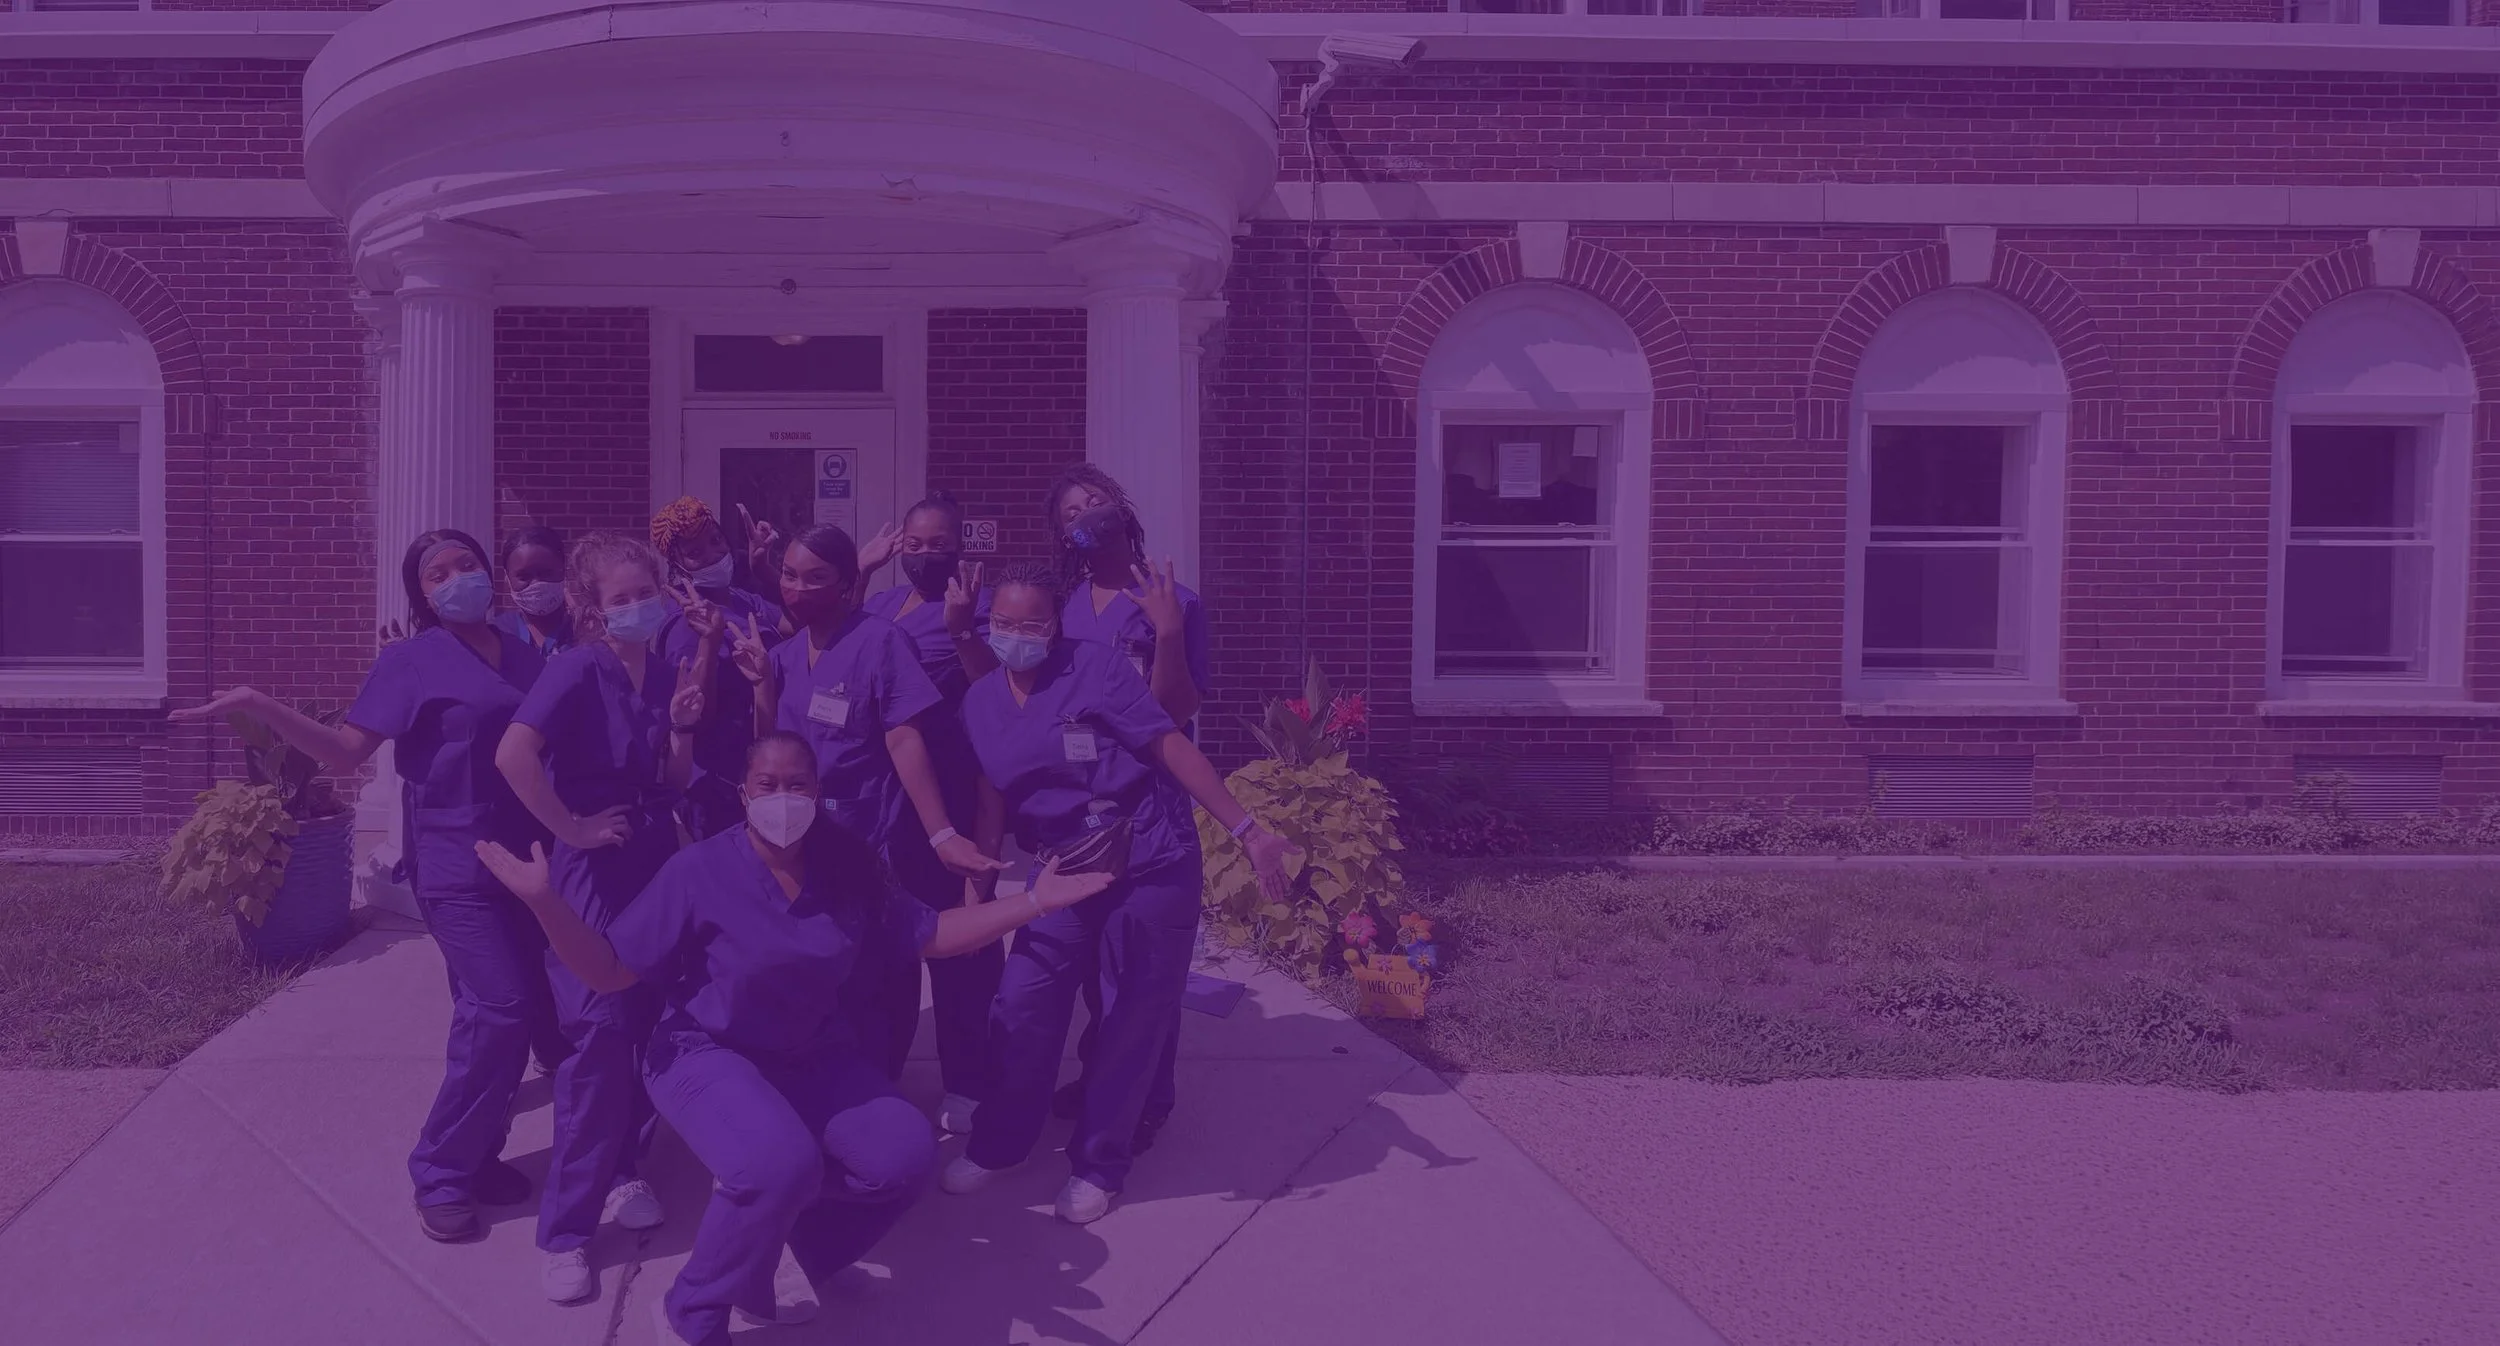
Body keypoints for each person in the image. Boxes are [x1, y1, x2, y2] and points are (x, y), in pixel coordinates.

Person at [473, 733, 1115, 1346]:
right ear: (744, 793)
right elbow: (609, 970)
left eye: (797, 784)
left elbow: (934, 934)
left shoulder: (847, 866)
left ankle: (785, 1259)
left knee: (904, 1156)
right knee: (777, 1164)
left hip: (809, 1054)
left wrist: (1035, 902)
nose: (783, 798)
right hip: (704, 1051)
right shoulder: (699, 870)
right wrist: (545, 903)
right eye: (767, 784)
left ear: (817, 790)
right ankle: (690, 1313)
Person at [171, 529, 569, 1243]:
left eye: (468, 564)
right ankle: (440, 1170)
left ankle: (479, 1157)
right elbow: (346, 751)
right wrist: (260, 702)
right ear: (423, 594)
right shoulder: (408, 662)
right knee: (502, 1007)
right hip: (456, 866)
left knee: (499, 1013)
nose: (458, 579)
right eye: (438, 574)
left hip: (528, 862)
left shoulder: (523, 654)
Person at [939, 563, 1295, 1225]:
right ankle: (1000, 1143)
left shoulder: (1096, 668)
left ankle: (1099, 1164)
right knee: (1023, 1002)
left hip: (1148, 859)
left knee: (1130, 1017)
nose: (1017, 636)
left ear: (1056, 624)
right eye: (1004, 623)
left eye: (1032, 624)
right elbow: (991, 802)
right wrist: (976, 896)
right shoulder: (980, 702)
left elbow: (1168, 747)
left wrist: (1248, 832)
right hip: (1062, 869)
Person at [494, 531, 713, 1305]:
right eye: (621, 598)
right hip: (592, 870)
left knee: (648, 1020)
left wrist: (681, 728)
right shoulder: (578, 669)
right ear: (592, 608)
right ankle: (567, 1232)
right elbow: (513, 755)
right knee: (600, 1036)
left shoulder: (661, 670)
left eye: (644, 593)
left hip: (651, 861)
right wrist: (571, 828)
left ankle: (624, 1170)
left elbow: (672, 778)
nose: (637, 607)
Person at [727, 525, 1005, 1089]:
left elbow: (904, 738)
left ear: (847, 582)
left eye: (816, 578)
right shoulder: (784, 655)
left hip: (877, 841)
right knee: (831, 974)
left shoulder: (880, 642)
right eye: (789, 575)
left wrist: (940, 833)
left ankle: (884, 1088)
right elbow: (771, 747)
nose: (797, 588)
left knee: (884, 976)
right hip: (812, 843)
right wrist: (760, 686)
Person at [1042, 464, 1212, 1153]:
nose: (1086, 513)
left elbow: (1176, 712)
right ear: (1064, 535)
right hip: (1076, 803)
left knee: (1142, 968)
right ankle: (1101, 1073)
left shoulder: (1178, 601)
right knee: (1092, 962)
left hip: (1148, 803)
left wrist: (1166, 635)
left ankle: (1146, 1097)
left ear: (1121, 507)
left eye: (1095, 500)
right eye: (1071, 510)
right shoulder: (1062, 606)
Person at [854, 490, 1001, 1136]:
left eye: (938, 544)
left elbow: (997, 687)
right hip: (885, 801)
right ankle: (879, 1074)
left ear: (960, 547)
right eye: (913, 545)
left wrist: (963, 628)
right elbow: (842, 647)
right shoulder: (883, 604)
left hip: (952, 791)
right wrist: (860, 572)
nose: (924, 555)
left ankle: (969, 1080)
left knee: (960, 942)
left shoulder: (983, 605)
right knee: (888, 947)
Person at [651, 496, 785, 839]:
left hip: (760, 770)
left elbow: (793, 625)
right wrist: (710, 642)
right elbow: (695, 717)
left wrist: (763, 568)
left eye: (715, 540)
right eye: (695, 553)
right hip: (720, 789)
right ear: (677, 563)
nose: (713, 554)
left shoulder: (736, 597)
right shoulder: (685, 627)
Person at [493, 525, 574, 657]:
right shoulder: (496, 634)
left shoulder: (585, 633)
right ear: (508, 579)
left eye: (546, 573)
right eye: (524, 577)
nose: (536, 584)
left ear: (563, 570)